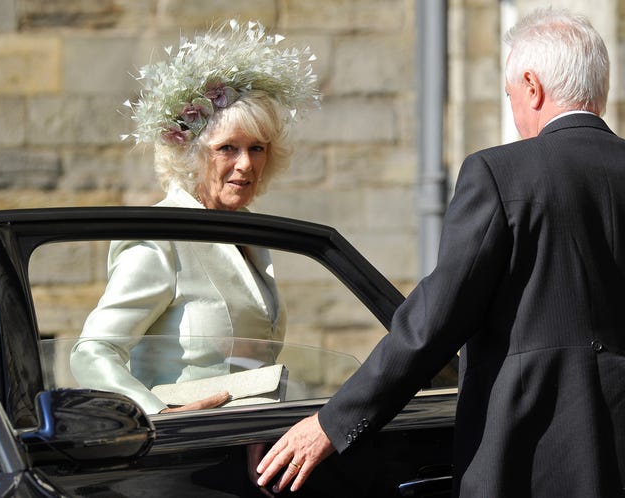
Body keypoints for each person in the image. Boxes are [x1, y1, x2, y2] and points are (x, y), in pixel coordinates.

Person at [256, 8, 625, 497]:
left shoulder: (500, 174)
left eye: (511, 96)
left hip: (530, 458)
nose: (515, 112)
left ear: (532, 87)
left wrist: (333, 422)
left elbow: (434, 321)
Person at [70, 20, 319, 415]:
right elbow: (93, 352)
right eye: (227, 148)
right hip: (185, 444)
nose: (246, 164)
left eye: (257, 148)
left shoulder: (249, 234)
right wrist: (156, 415)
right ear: (191, 154)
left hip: (250, 438)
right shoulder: (161, 237)